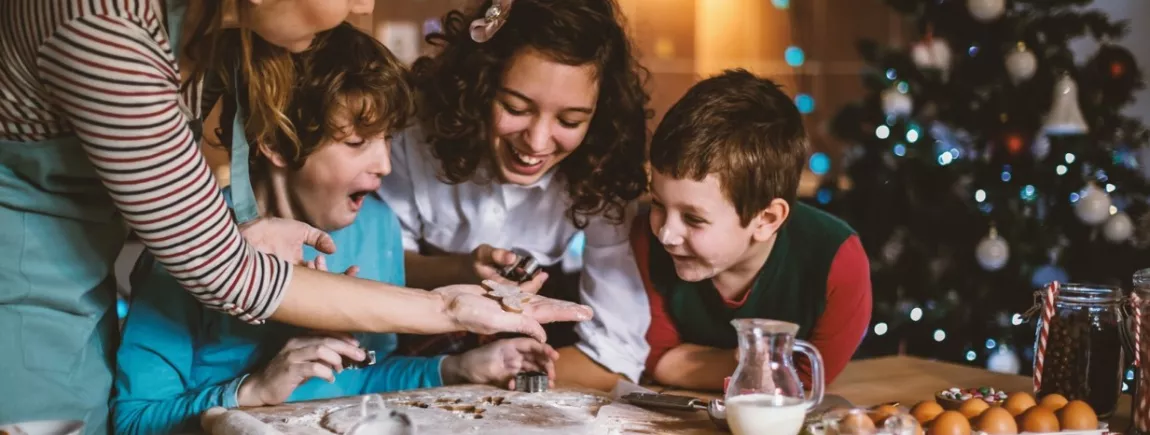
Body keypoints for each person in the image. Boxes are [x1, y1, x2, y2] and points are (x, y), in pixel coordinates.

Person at [0, 0, 588, 432]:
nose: (363, 6)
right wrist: (445, 306)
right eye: (358, 142)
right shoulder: (100, 25)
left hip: (78, 305)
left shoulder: (203, 37)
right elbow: (215, 268)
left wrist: (456, 366)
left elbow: (356, 381)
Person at [378, 0, 651, 388]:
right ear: (478, 85)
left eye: (570, 120)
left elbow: (618, 354)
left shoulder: (603, 164)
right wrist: (460, 270)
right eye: (515, 107)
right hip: (403, 358)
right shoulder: (413, 132)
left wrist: (502, 374)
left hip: (524, 355)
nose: (537, 142)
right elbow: (380, 270)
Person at [630, 69, 872, 390]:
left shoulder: (837, 261)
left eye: (694, 219)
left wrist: (695, 362)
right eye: (658, 203)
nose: (666, 234)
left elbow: (802, 383)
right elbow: (653, 358)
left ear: (767, 220)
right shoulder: (645, 239)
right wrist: (753, 364)